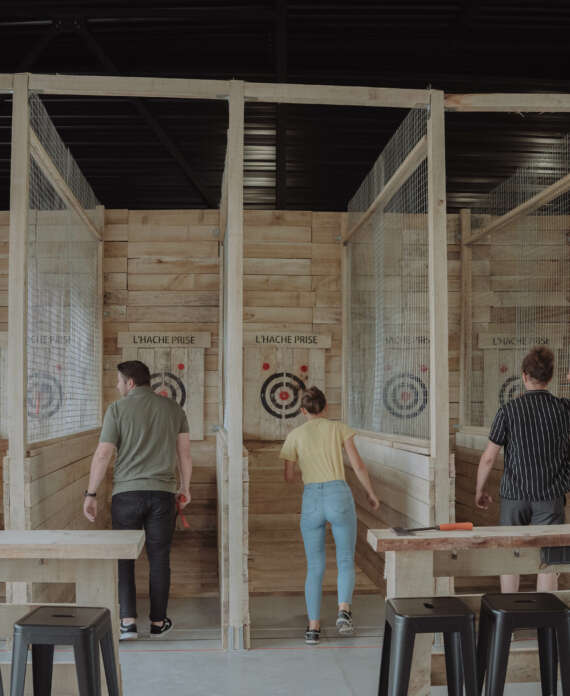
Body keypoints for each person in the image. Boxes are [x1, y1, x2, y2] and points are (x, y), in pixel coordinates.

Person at [83, 360, 192, 640]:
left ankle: (128, 623)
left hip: (126, 495)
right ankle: (158, 622)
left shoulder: (117, 409)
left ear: (130, 382)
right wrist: (185, 487)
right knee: (159, 558)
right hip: (163, 494)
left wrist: (91, 493)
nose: (117, 385)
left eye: (119, 381)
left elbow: (103, 454)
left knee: (124, 558)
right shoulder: (173, 409)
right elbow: (184, 454)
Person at [279, 386, 380, 645]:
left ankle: (313, 628)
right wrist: (370, 493)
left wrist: (310, 480)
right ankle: (343, 612)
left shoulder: (294, 435)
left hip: (312, 497)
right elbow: (358, 465)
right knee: (345, 559)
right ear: (326, 408)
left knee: (315, 566)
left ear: (303, 411)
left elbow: (288, 476)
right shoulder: (338, 428)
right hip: (339, 495)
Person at [475, 346, 570, 593]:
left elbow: (488, 458)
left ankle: (510, 611)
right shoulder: (564, 409)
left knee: (511, 555)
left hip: (514, 495)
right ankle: (546, 616)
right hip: (550, 496)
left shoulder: (508, 411)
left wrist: (479, 490)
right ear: (551, 377)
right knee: (549, 559)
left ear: (524, 375)